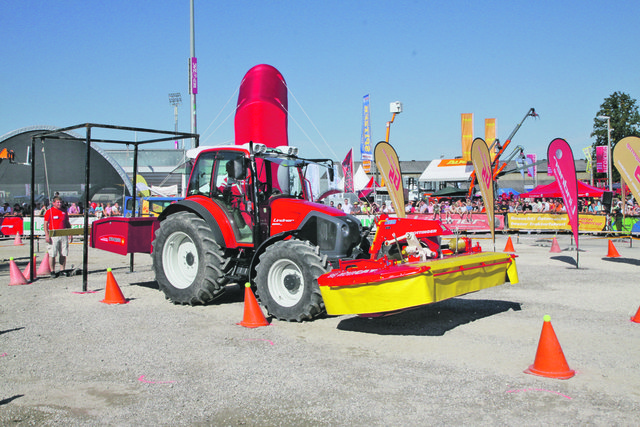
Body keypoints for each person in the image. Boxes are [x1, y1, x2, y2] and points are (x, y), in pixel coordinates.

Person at [44, 196, 72, 278]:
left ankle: (62, 270)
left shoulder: (64, 211)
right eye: (58, 202)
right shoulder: (49, 211)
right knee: (52, 253)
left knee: (63, 253)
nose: (59, 204)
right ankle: (52, 271)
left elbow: (67, 223)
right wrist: (47, 235)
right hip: (53, 235)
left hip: (63, 234)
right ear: (53, 203)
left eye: (60, 202)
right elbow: (45, 224)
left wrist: (70, 233)